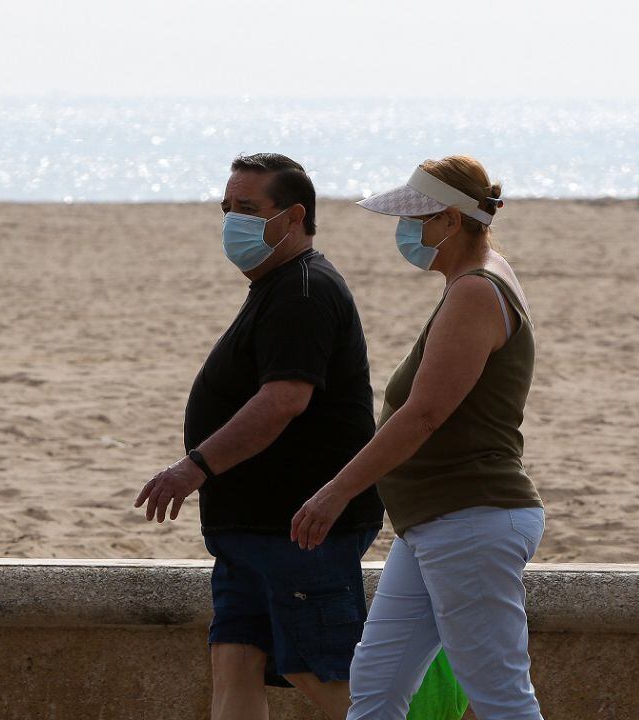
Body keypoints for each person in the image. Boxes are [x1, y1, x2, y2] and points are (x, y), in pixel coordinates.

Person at [290, 156, 546, 720]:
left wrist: (336, 492)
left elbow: (422, 415)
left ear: (451, 221)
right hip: (434, 522)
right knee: (376, 685)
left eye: (416, 219)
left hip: (469, 518)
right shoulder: (478, 276)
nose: (404, 232)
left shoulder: (476, 290)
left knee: (500, 697)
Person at [134, 153, 385, 720]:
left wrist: (193, 467)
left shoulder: (304, 291)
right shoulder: (275, 286)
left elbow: (283, 401)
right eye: (227, 209)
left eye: (247, 209)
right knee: (235, 663)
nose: (232, 221)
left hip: (297, 528)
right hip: (248, 528)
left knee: (317, 669)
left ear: (293, 216)